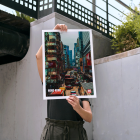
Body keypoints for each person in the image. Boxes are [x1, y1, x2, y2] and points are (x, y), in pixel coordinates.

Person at [36, 24, 92, 140]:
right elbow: (38, 56)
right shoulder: (51, 83)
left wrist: (78, 108)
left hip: (76, 132)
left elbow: (89, 117)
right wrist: (52, 33)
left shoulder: (81, 89)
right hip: (53, 133)